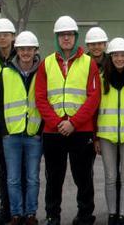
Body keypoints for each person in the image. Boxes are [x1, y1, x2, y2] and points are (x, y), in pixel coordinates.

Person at [34, 15, 101, 225]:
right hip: (53, 132)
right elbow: (40, 97)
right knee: (54, 177)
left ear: (76, 37)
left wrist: (73, 122)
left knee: (83, 177)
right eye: (62, 35)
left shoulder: (88, 63)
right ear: (56, 38)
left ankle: (85, 215)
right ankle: (53, 215)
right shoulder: (46, 64)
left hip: (80, 130)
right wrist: (56, 123)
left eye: (70, 34)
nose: (66, 38)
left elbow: (94, 97)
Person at [0, 31, 44, 225]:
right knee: (13, 178)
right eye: (22, 49)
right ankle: (16, 214)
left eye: (29, 49)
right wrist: (4, 130)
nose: (25, 53)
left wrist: (40, 130)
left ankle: (30, 214)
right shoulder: (6, 72)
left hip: (33, 134)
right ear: (17, 50)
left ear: (35, 51)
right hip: (12, 134)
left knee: (32, 178)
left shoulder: (42, 72)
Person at [95, 38, 124, 225]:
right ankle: (112, 215)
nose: (119, 58)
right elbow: (94, 109)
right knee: (110, 177)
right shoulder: (101, 79)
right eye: (116, 55)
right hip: (106, 136)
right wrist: (95, 137)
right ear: (110, 57)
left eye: (123, 55)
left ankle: (122, 215)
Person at [0, 17, 18, 224]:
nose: (2, 38)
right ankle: (6, 209)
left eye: (6, 35)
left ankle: (23, 211)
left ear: (13, 37)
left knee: (22, 172)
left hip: (19, 124)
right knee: (4, 171)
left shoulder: (26, 55)